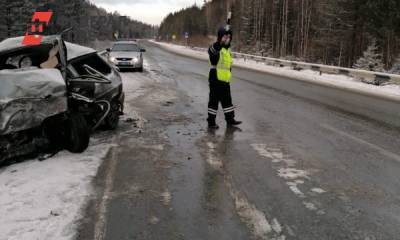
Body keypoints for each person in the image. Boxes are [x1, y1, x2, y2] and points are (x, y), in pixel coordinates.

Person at [207, 26, 242, 129]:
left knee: (227, 101)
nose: (228, 39)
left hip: (225, 80)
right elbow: (212, 52)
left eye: (229, 37)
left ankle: (230, 120)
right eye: (225, 37)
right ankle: (211, 122)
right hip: (215, 79)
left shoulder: (227, 50)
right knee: (214, 101)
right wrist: (220, 42)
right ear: (220, 37)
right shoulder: (216, 47)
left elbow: (227, 66)